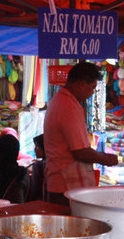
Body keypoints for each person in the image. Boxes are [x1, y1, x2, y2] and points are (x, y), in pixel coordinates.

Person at [43, 61, 119, 205]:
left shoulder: (58, 101)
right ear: (82, 84)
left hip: (61, 182)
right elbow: (80, 152)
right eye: (91, 88)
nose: (91, 94)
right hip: (68, 186)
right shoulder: (69, 107)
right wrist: (105, 159)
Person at [25, 133, 47, 202]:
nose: (35, 149)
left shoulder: (38, 166)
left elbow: (33, 192)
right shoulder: (51, 163)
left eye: (37, 146)